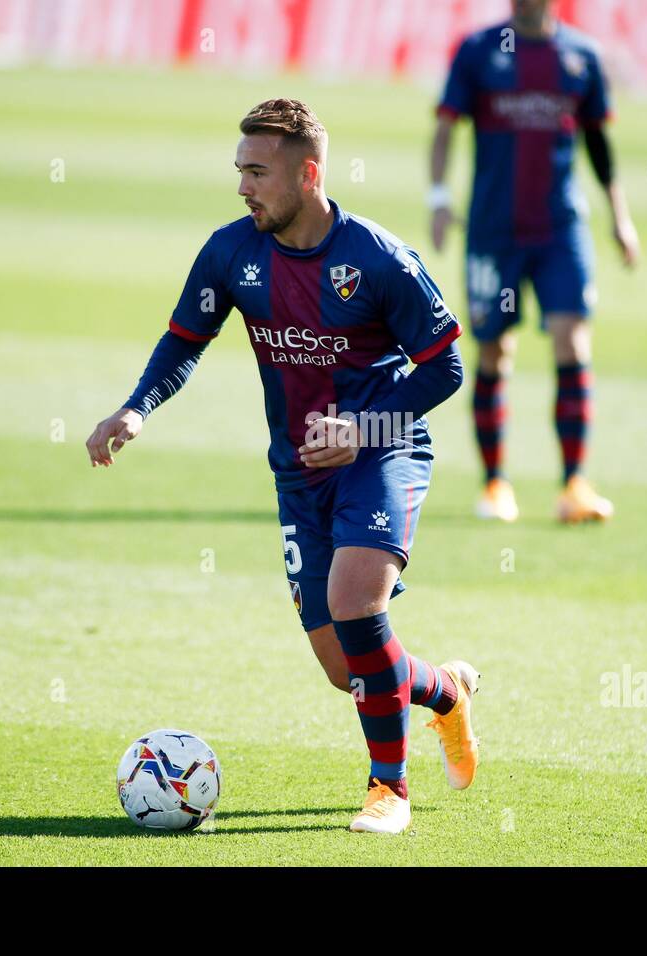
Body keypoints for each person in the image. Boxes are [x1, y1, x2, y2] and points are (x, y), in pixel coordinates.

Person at [86, 99, 479, 835]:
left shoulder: (378, 259)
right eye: (239, 171)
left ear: (308, 173)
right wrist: (136, 408)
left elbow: (446, 367)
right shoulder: (230, 253)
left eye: (258, 172)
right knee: (346, 668)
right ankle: (445, 691)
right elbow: (184, 339)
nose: (243, 188)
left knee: (360, 604)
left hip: (382, 451)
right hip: (298, 473)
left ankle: (388, 791)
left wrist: (364, 427)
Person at [430, 0, 640, 523]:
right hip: (494, 231)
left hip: (560, 229)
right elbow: (445, 126)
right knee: (496, 350)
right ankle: (495, 483)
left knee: (573, 338)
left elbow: (597, 141)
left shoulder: (580, 56)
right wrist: (438, 197)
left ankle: (573, 484)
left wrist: (620, 217)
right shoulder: (479, 51)